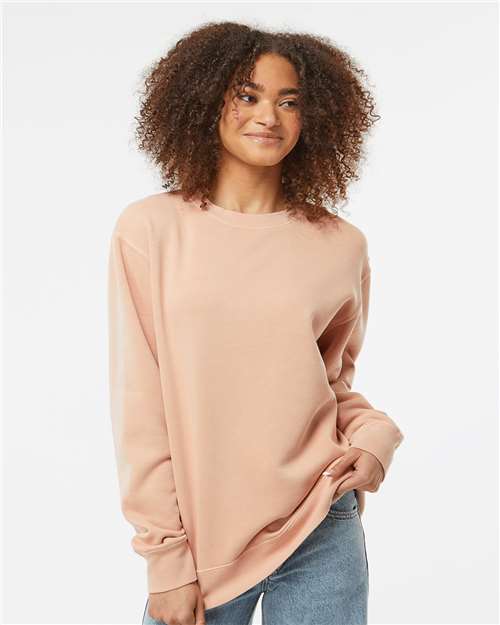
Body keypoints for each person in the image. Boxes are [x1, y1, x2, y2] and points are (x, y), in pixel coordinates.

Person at [108, 21, 404, 625]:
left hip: (322, 521)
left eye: (289, 101)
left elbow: (329, 383)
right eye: (248, 95)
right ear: (205, 100)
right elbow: (141, 406)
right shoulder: (150, 230)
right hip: (203, 543)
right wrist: (165, 560)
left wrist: (376, 437)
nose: (269, 116)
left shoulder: (341, 245)